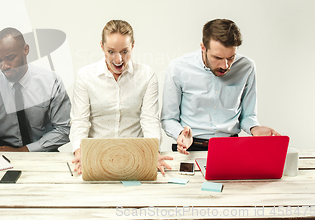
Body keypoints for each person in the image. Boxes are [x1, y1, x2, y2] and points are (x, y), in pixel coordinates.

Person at [161, 19, 280, 154]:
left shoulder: (246, 67)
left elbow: (248, 115)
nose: (225, 66)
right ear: (203, 48)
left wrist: (254, 128)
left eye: (231, 57)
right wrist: (181, 134)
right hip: (191, 147)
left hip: (232, 147)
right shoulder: (178, 68)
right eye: (217, 57)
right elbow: (168, 119)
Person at [70, 20, 173, 175]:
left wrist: (153, 152)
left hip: (137, 157)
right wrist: (79, 152)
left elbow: (150, 119)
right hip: (96, 156)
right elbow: (80, 121)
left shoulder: (146, 75)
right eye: (111, 51)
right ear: (101, 46)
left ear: (132, 46)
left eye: (125, 51)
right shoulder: (85, 76)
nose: (118, 60)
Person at [0, 27, 71, 168]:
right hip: (2, 154)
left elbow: (64, 129)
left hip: (43, 152)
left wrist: (24, 151)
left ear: (26, 50)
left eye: (10, 58)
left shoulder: (51, 82)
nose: (4, 66)